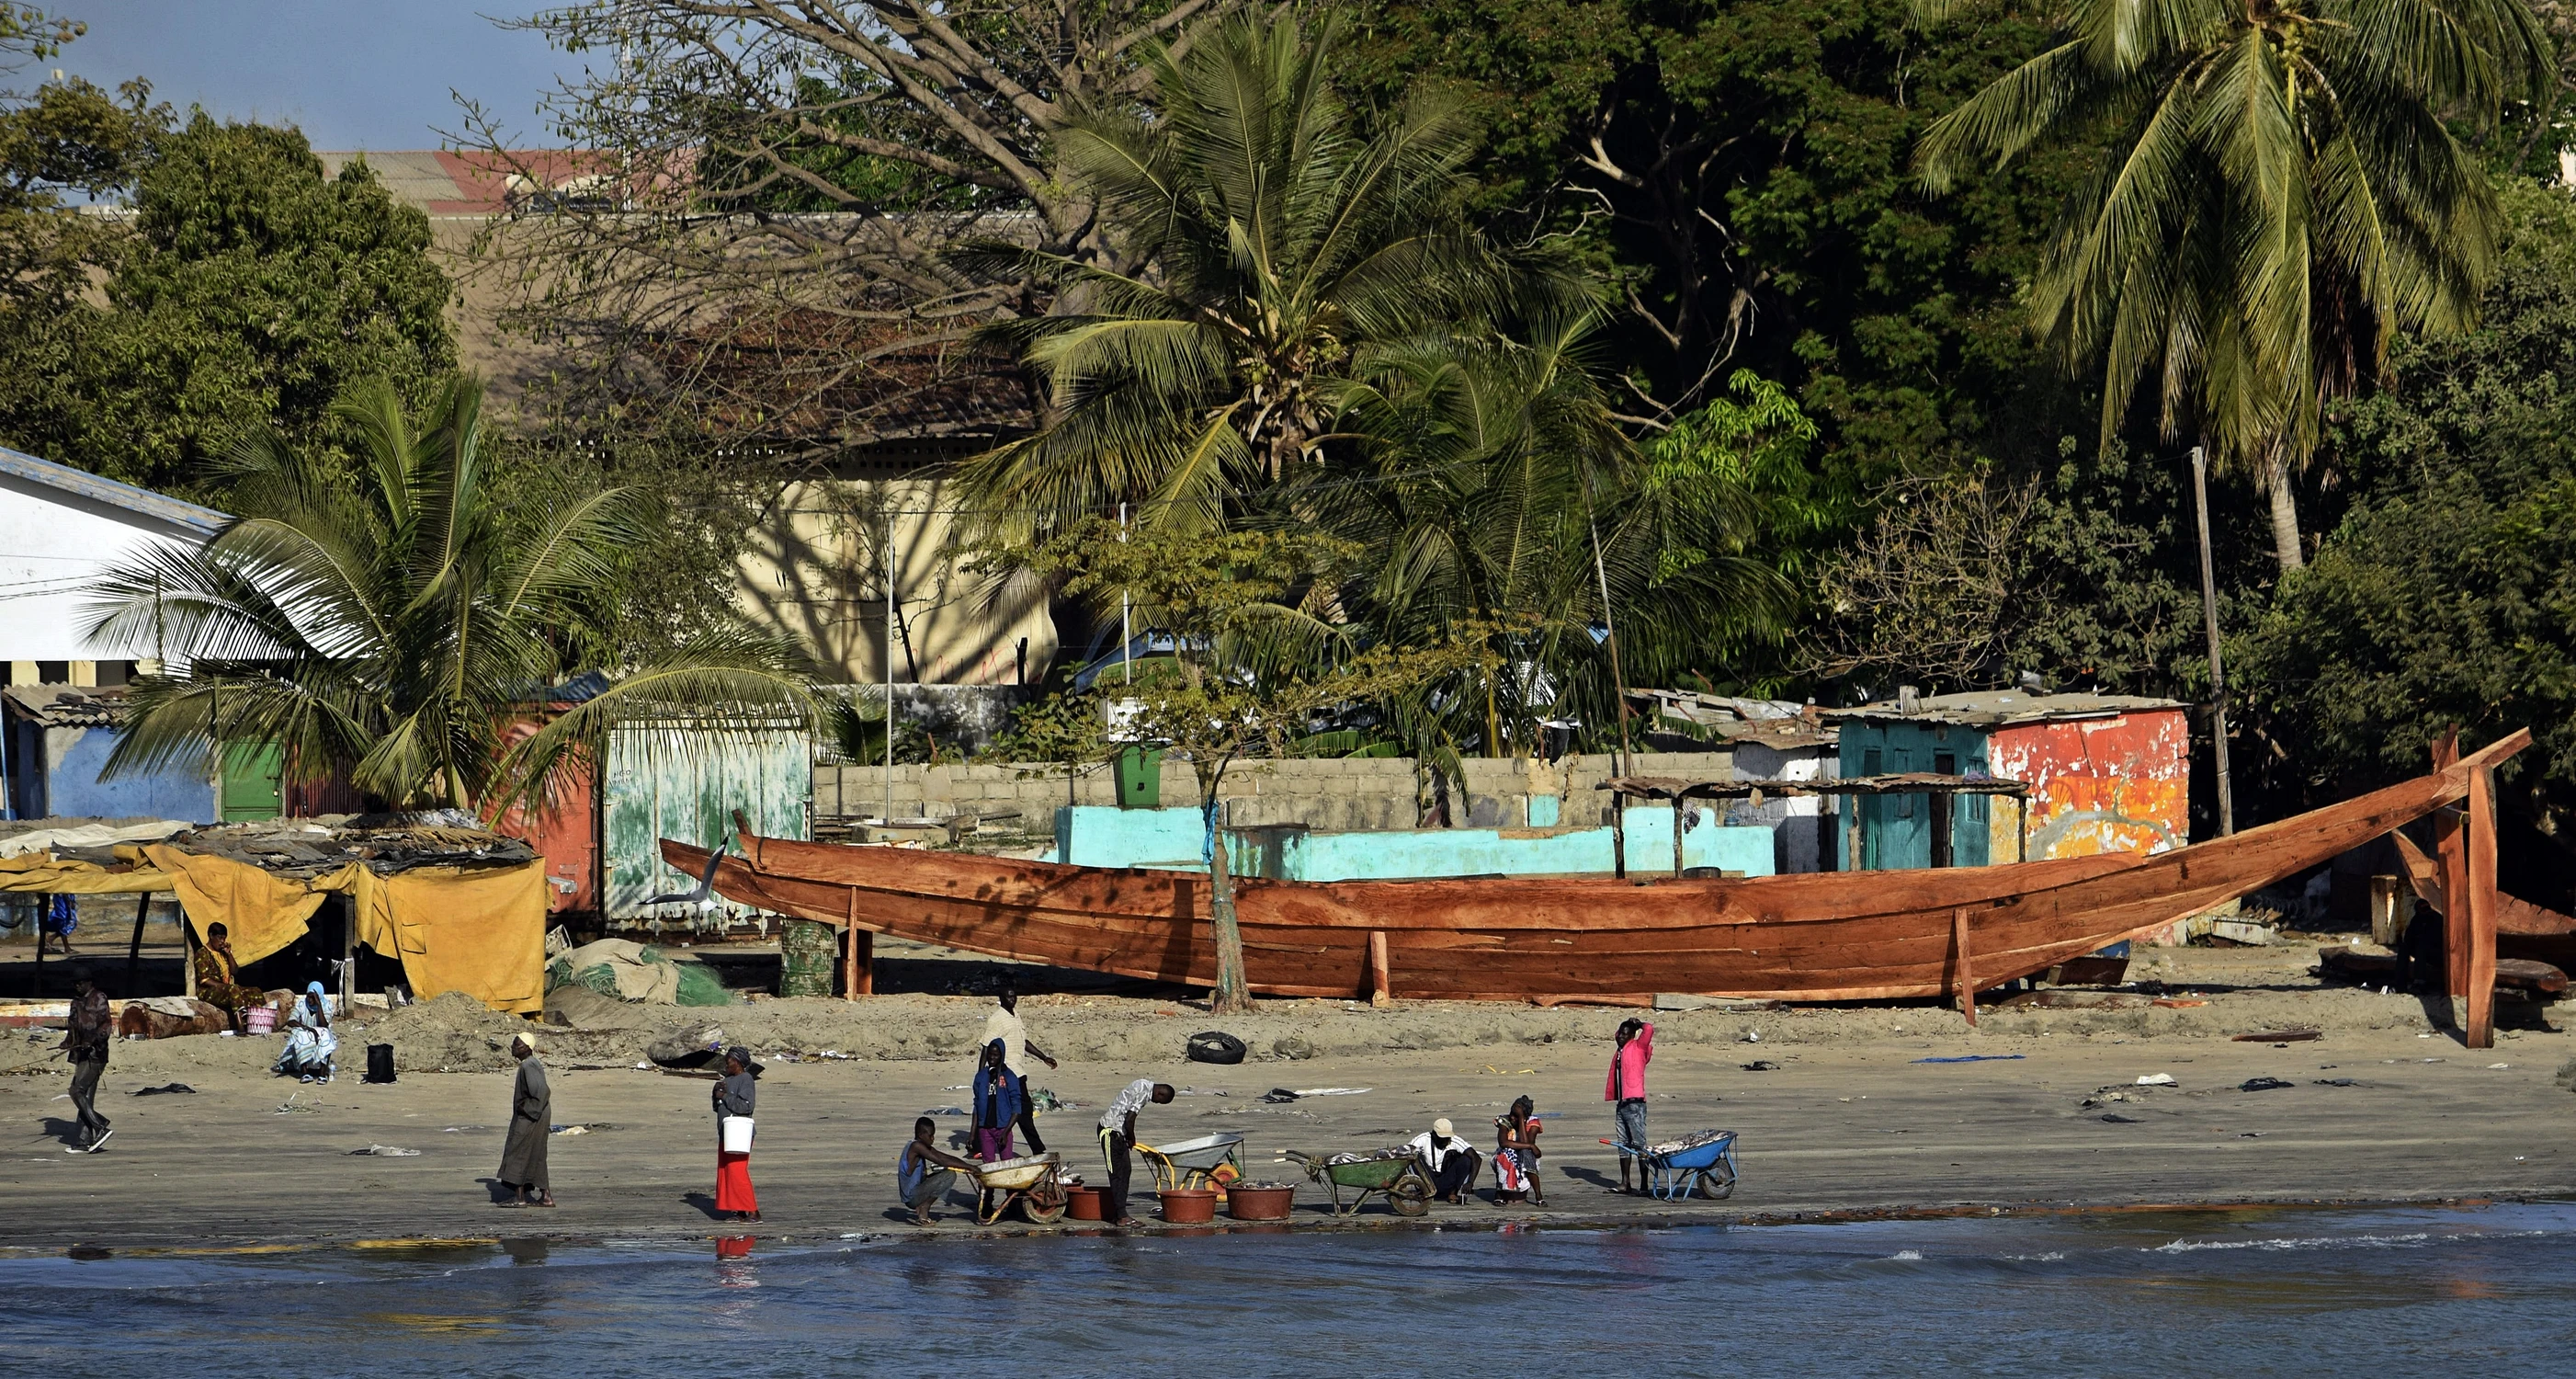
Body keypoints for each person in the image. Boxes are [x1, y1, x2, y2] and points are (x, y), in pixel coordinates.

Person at [981, 986, 1057, 1154]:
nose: (1012, 999)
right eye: (1008, 997)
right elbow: (986, 1046)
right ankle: (1037, 1149)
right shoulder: (997, 1019)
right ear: (1001, 998)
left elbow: (1024, 1042)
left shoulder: (1016, 1016)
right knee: (1020, 1111)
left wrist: (1043, 1057)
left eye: (1014, 996)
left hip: (1019, 1071)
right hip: (1007, 1072)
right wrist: (981, 1076)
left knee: (1015, 1110)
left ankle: (984, 1144)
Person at [1096, 1078, 1174, 1226]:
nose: (1156, 1103)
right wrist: (1132, 1138)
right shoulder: (1144, 1093)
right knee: (1117, 1174)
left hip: (1119, 1134)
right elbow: (1129, 1120)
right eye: (1159, 1101)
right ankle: (1121, 1216)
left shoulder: (1142, 1083)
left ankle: (1119, 1212)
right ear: (1160, 1094)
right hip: (1110, 1132)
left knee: (1126, 1170)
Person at [497, 1031, 554, 1207]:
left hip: (532, 1115)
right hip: (537, 1114)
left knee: (518, 1151)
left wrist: (526, 1108)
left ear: (527, 1048)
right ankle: (546, 1197)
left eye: (517, 1045)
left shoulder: (528, 1066)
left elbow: (542, 1091)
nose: (513, 1048)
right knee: (536, 1154)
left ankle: (520, 1197)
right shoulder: (531, 1063)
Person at [60, 974, 112, 1153]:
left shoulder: (99, 998)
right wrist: (67, 1042)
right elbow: (72, 1026)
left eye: (80, 982)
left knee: (76, 1091)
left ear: (89, 982)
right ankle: (84, 1141)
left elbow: (105, 1025)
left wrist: (93, 1040)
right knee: (86, 1097)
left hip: (96, 1054)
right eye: (75, 983)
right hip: (80, 1053)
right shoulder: (75, 1002)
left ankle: (100, 1125)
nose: (77, 985)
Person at [898, 1115, 980, 1226]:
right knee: (949, 1175)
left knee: (945, 1171)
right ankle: (924, 1207)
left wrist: (966, 1165)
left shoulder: (921, 1145)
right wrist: (970, 1167)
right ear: (921, 1135)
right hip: (911, 1197)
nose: (933, 1139)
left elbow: (943, 1156)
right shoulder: (916, 1146)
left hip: (916, 1190)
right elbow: (941, 1160)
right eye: (930, 1136)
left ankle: (922, 1206)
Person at [1606, 1017, 1654, 1194]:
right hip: (1622, 1103)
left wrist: (1638, 1024)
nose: (1620, 1037)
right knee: (1623, 1145)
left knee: (1640, 1145)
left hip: (1636, 1105)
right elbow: (1616, 1034)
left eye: (1625, 1035)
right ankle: (1625, 1183)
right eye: (1620, 1034)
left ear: (1632, 1036)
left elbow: (1648, 1029)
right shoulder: (1620, 1050)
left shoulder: (1639, 1047)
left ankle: (1644, 1185)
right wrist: (1626, 1023)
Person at [713, 1045, 761, 1222]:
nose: (727, 1063)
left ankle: (753, 1210)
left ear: (739, 1062)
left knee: (737, 1171)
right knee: (726, 1172)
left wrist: (725, 1096)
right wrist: (716, 1094)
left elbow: (746, 1106)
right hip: (725, 1132)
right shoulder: (728, 1079)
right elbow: (717, 1107)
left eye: (731, 1061)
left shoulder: (746, 1079)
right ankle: (739, 1211)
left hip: (740, 1133)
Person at [190, 923, 264, 1029]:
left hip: (227, 989)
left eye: (224, 939)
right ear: (211, 936)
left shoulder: (222, 953)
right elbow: (204, 980)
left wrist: (229, 954)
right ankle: (240, 1025)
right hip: (208, 991)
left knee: (255, 991)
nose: (222, 942)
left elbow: (234, 971)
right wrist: (223, 986)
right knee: (233, 989)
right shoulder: (203, 953)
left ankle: (259, 1022)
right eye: (219, 938)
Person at [273, 981, 338, 1082]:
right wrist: (308, 1028)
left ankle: (322, 1074)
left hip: (321, 1033)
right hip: (305, 1031)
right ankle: (305, 1073)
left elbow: (324, 1025)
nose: (310, 1000)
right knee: (299, 1034)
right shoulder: (302, 1004)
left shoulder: (327, 1005)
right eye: (309, 997)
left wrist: (319, 1005)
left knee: (326, 1035)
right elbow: (291, 1021)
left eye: (313, 997)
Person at [1406, 1117, 1480, 1204]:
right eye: (1442, 1138)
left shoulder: (1454, 1140)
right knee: (1412, 1157)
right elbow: (1406, 1151)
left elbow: (1476, 1158)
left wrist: (1470, 1182)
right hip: (1427, 1178)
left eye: (1447, 1138)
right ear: (1434, 1134)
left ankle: (1453, 1193)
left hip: (1447, 1179)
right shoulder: (1423, 1138)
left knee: (1466, 1159)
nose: (1445, 1141)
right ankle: (1424, 1191)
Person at [1493, 1095, 1545, 1205]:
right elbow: (1503, 1143)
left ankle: (1538, 1196)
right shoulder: (1504, 1120)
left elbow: (1526, 1143)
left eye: (1516, 1116)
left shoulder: (1533, 1124)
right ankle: (1499, 1193)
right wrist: (1531, 1146)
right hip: (1506, 1152)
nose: (1512, 1117)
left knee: (1526, 1154)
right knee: (1505, 1156)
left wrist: (1521, 1119)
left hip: (1525, 1155)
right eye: (1512, 1113)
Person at [37, 894, 77, 958]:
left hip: (63, 896)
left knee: (64, 921)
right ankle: (65, 947)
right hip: (63, 895)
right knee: (67, 921)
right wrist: (69, 900)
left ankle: (53, 939)